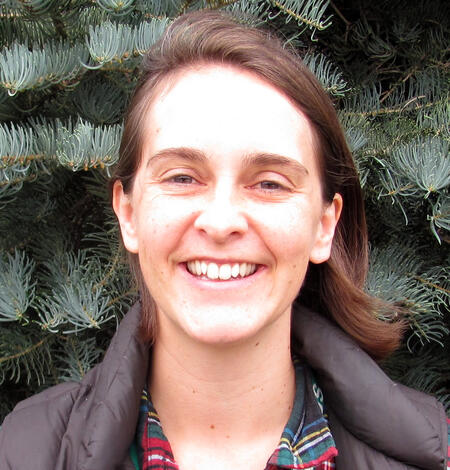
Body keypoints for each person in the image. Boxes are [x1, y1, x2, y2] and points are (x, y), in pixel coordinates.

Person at [0, 10, 448, 470]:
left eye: (270, 183)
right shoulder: (23, 452)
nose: (220, 222)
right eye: (181, 177)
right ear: (129, 214)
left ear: (324, 225)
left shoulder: (437, 456)